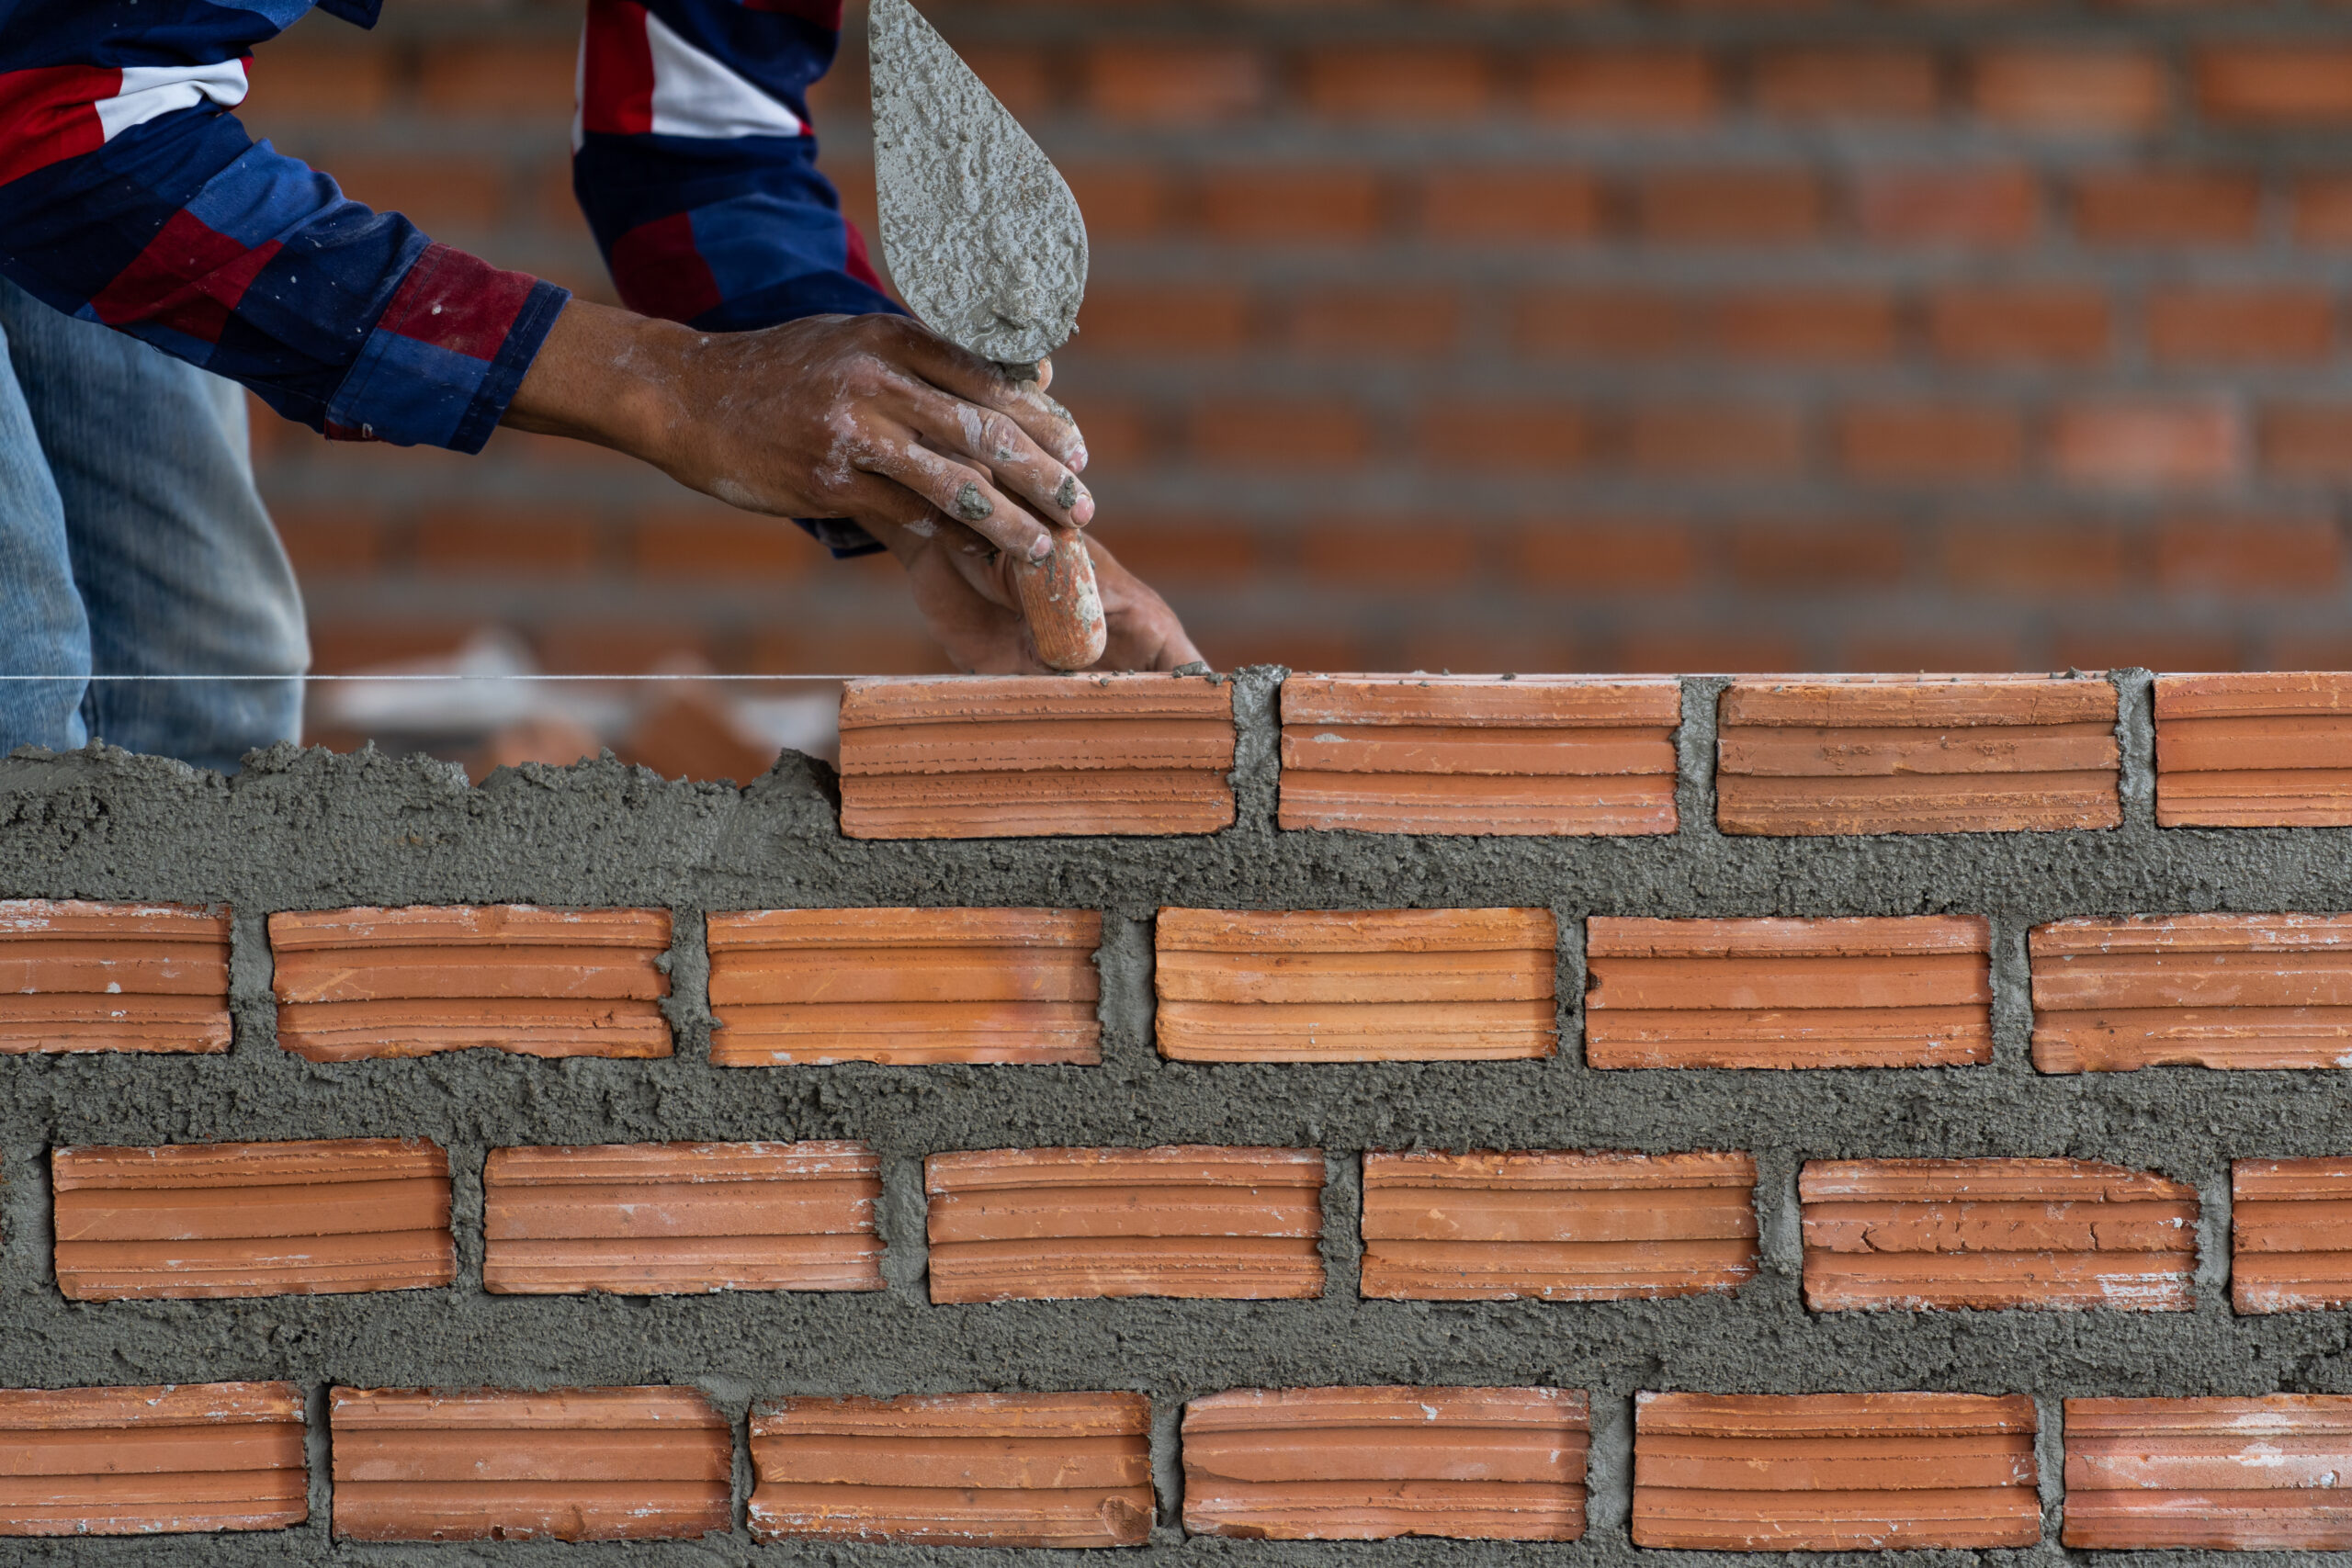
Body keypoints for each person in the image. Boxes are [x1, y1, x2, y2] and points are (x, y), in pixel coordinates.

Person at [0, 0, 1200, 773]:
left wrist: (930, 473)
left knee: (200, 681)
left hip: (68, 88)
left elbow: (703, 131)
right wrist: (665, 386)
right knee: (26, 676)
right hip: (57, 105)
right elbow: (60, 123)